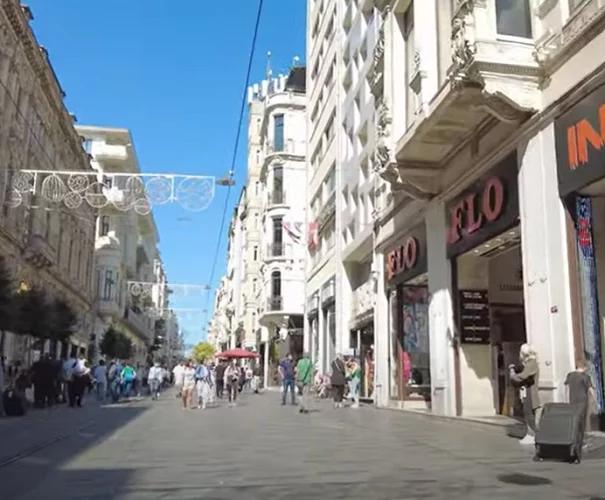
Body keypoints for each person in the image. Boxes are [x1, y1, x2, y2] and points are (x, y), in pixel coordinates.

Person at [509, 343, 541, 445]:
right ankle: (530, 434)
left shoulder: (532, 363)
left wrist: (513, 374)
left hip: (531, 393)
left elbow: (523, 376)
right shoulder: (528, 364)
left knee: (529, 414)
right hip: (526, 392)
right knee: (527, 414)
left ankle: (532, 435)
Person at [565, 360, 595, 460]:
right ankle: (579, 443)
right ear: (585, 368)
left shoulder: (570, 375)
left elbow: (567, 389)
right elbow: (591, 390)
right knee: (581, 424)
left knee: (574, 423)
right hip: (582, 403)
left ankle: (572, 442)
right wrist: (594, 401)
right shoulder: (586, 377)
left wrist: (567, 400)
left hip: (572, 402)